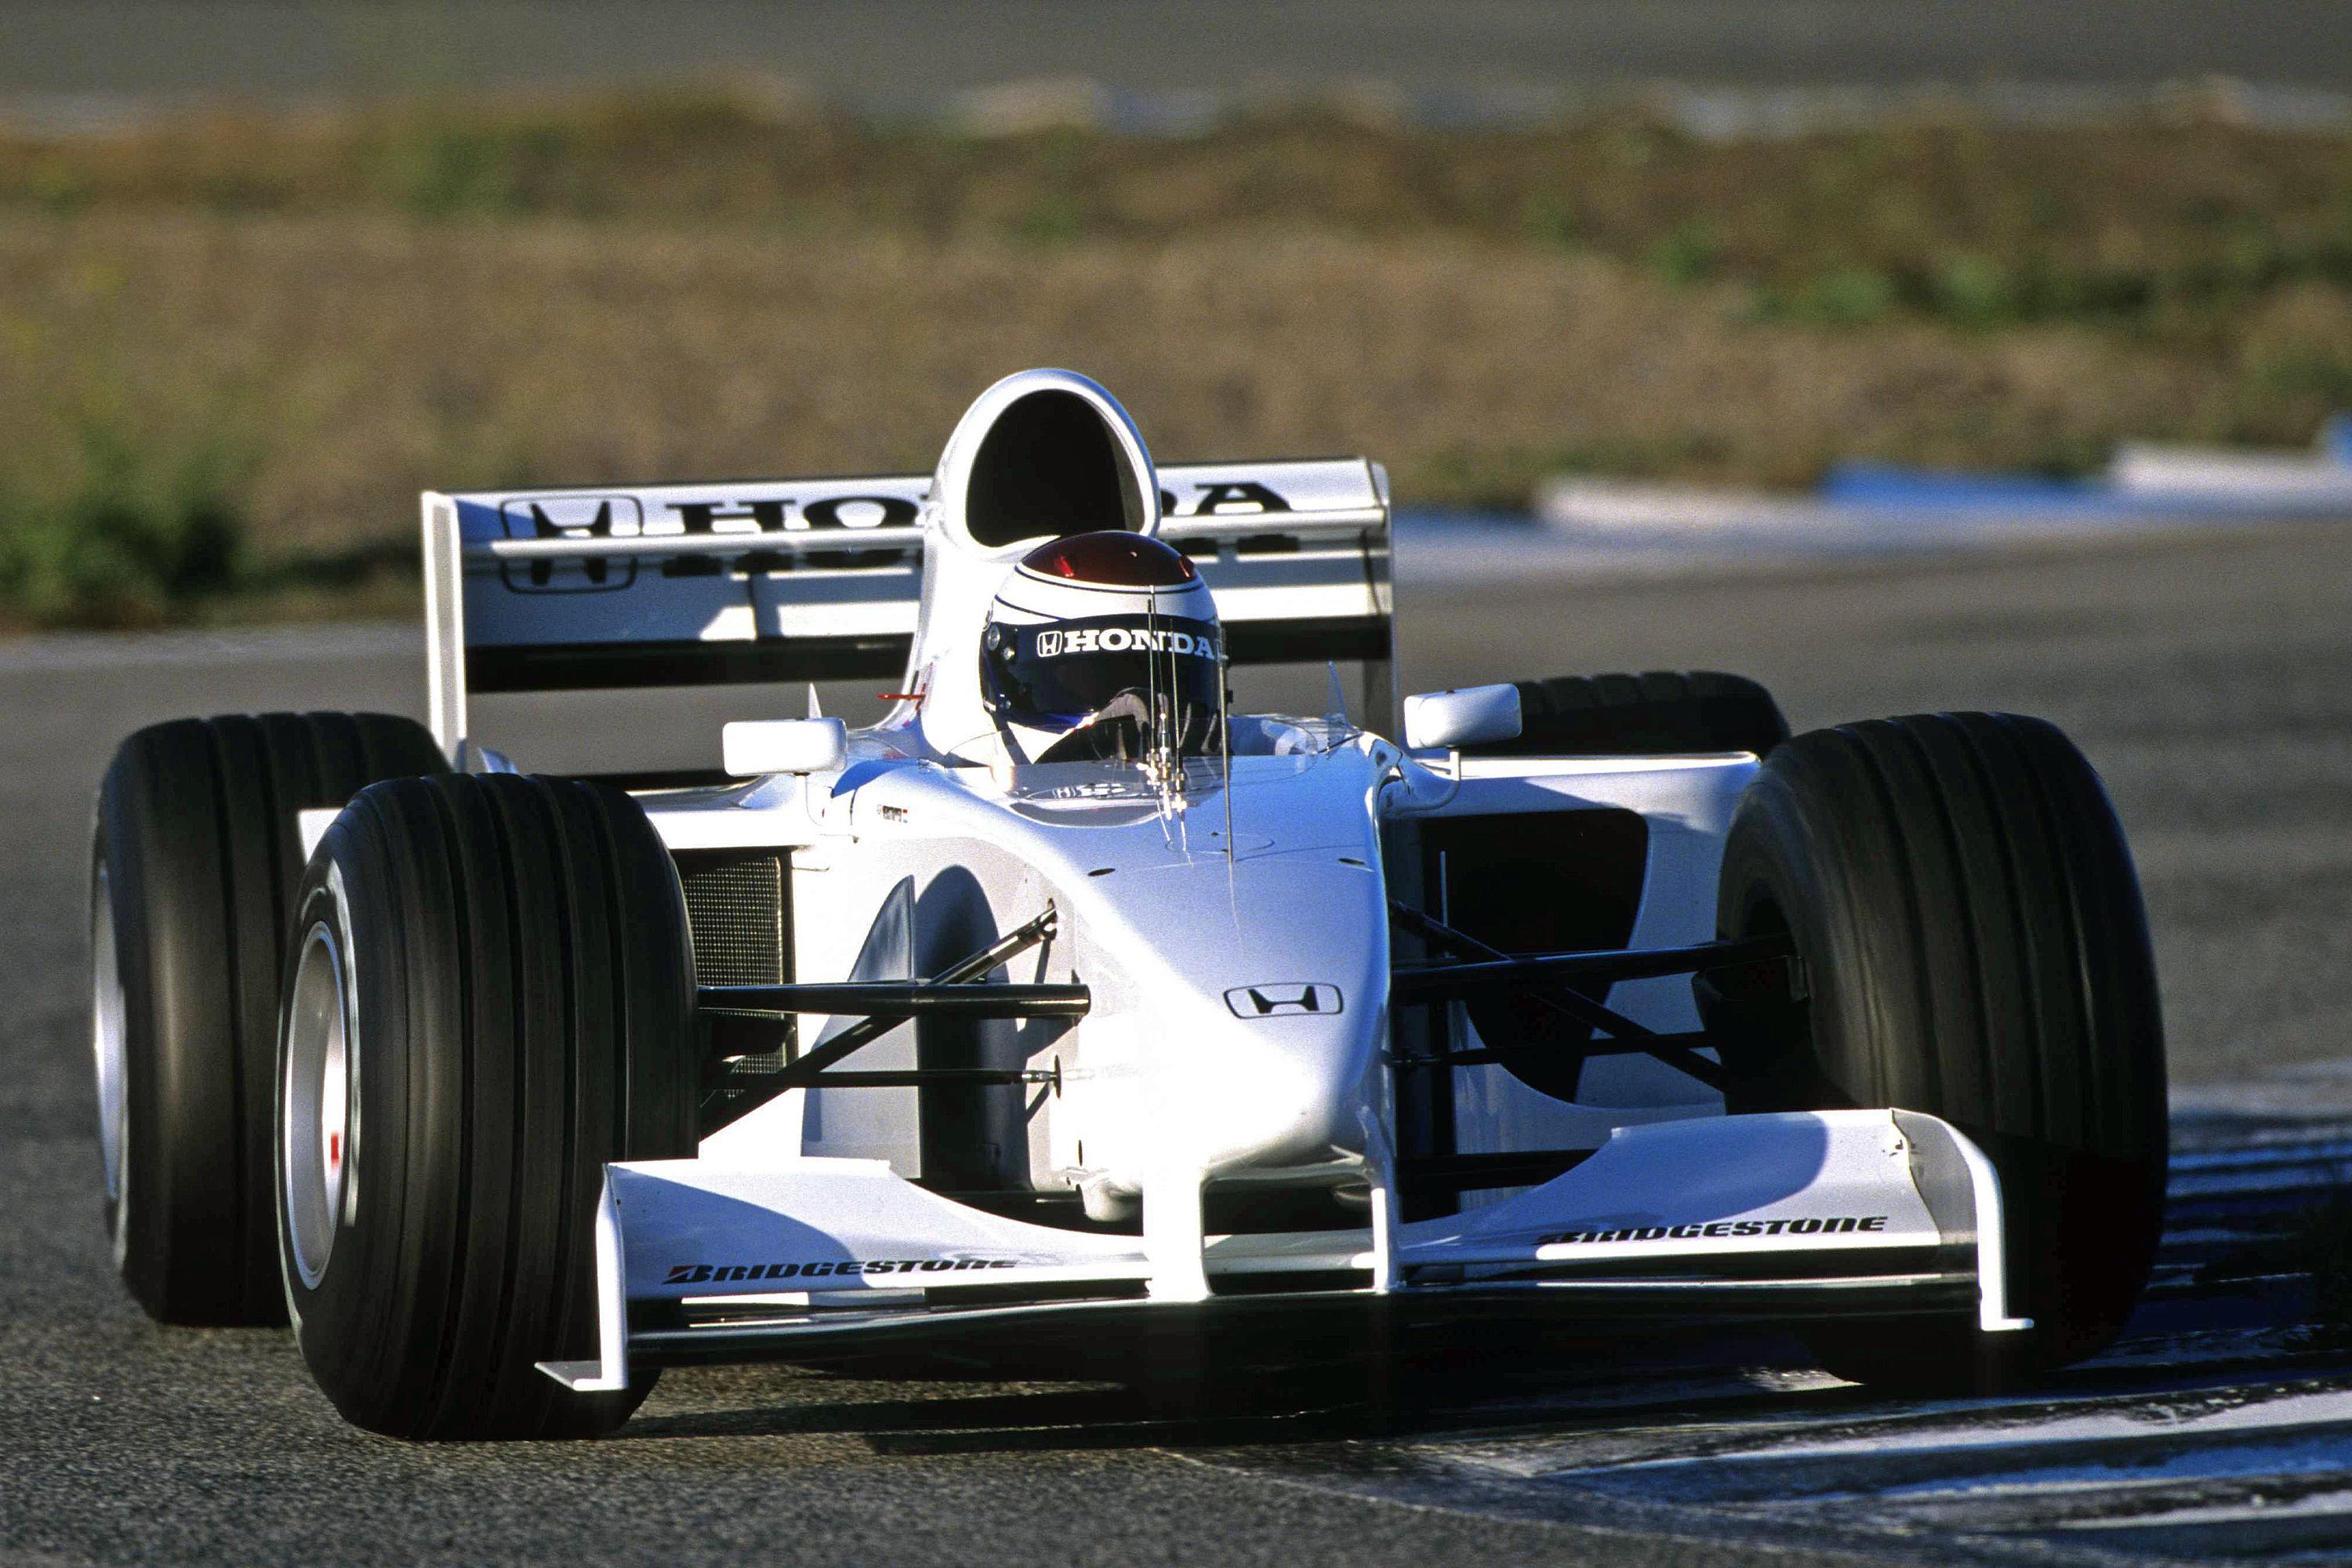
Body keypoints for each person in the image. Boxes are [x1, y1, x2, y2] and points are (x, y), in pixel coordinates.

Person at [977, 532, 1224, 764]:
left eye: (1171, 684)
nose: (1138, 719)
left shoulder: (1254, 759)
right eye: (1092, 682)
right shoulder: (950, 797)